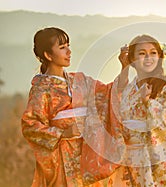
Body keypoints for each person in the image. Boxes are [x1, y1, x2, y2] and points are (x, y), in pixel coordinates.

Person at [21, 27, 128, 187]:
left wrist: (125, 66)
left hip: (86, 157)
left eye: (68, 46)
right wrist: (63, 132)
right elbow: (31, 126)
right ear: (48, 55)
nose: (69, 52)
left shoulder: (79, 80)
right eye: (62, 48)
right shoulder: (41, 89)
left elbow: (109, 93)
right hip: (61, 159)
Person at [108, 34, 166, 186]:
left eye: (153, 53)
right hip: (129, 157)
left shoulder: (165, 87)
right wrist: (124, 68)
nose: (148, 57)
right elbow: (114, 102)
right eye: (142, 53)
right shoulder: (130, 88)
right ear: (133, 60)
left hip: (153, 157)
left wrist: (147, 102)